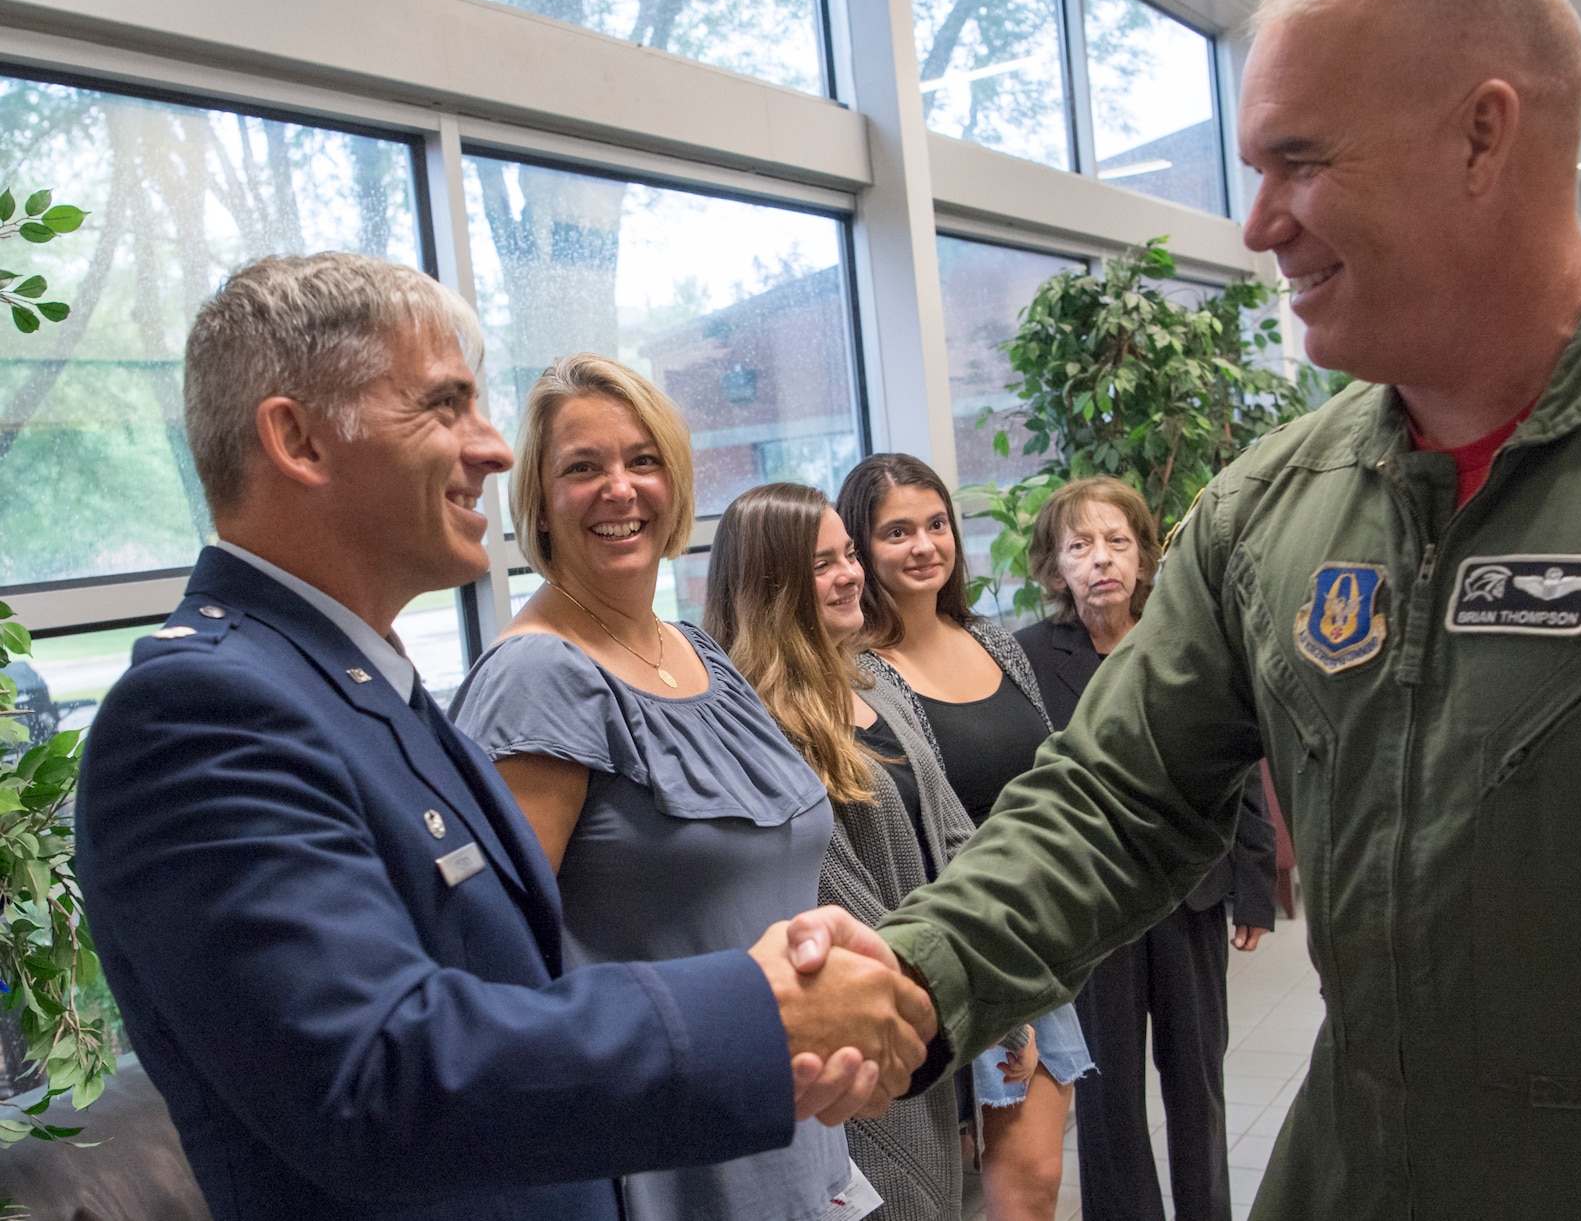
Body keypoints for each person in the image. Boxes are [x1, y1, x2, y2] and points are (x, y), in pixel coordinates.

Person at [791, 0, 1581, 1221]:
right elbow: (1117, 798)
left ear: (1486, 135)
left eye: (1300, 163)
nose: (1259, 225)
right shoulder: (1274, 507)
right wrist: (915, 977)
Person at [74, 254, 931, 1221]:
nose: (489, 448)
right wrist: (753, 1011)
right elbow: (376, 1077)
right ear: (297, 439)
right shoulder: (198, 714)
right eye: (445, 406)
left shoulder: (354, 684)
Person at [447, 355, 863, 1221]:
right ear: (539, 502)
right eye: (582, 467)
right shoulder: (541, 679)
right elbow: (496, 973)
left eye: (643, 460)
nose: (619, 490)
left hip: (794, 1134)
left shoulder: (694, 650)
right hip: (670, 1160)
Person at [706, 481, 1031, 1221]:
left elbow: (956, 834)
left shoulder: (871, 681)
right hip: (864, 1034)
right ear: (773, 585)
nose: (851, 572)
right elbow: (837, 898)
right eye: (823, 564)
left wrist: (1000, 996)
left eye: (848, 553)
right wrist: (949, 993)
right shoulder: (761, 723)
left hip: (928, 1003)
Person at [833, 454, 1093, 1221]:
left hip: (1032, 934)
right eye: (896, 531)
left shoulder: (992, 639)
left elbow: (1054, 770)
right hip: (946, 947)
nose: (924, 545)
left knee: (1033, 1182)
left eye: (936, 524)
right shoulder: (861, 672)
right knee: (957, 1187)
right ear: (862, 547)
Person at [1013, 476, 1276, 1221]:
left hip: (1189, 892)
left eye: (1118, 542)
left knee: (1197, 1079)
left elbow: (1239, 765)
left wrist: (1253, 884)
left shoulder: (1184, 639)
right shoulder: (1028, 657)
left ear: (1145, 554)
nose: (1102, 560)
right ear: (1054, 565)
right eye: (1080, 545)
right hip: (1092, 907)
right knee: (1107, 1089)